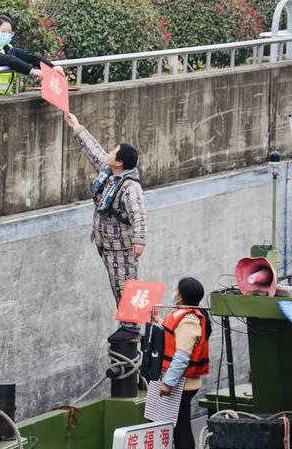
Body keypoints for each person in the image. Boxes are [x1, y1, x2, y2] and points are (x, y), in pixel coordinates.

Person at [64, 112, 147, 335]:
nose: (108, 153)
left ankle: (130, 337)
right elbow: (95, 152)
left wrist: (139, 241)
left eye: (113, 152)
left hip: (121, 248)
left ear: (120, 162)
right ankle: (127, 330)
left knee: (126, 290)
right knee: (118, 289)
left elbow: (138, 213)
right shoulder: (110, 172)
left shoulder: (130, 187)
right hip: (106, 242)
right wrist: (77, 127)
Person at [159, 277, 212, 449]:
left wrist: (168, 383)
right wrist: (158, 321)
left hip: (183, 384)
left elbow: (181, 357)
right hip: (182, 382)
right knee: (177, 425)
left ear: (181, 296)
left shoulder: (188, 320)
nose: (174, 292)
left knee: (181, 428)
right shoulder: (186, 315)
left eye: (177, 290)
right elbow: (174, 335)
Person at [0, 14, 65, 97]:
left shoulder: (8, 49)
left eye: (10, 32)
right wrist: (31, 71)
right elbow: (5, 59)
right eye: (4, 31)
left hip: (3, 98)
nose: (7, 35)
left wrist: (52, 67)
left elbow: (29, 56)